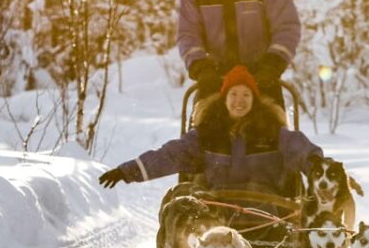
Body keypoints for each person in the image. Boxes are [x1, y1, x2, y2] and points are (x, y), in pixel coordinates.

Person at [98, 65, 321, 196]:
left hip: (265, 208)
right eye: (233, 94)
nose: (239, 101)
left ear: (255, 99)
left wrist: (321, 169)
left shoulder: (272, 130)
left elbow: (303, 151)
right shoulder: (207, 133)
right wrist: (126, 172)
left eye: (246, 95)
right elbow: (169, 156)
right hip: (215, 207)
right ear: (224, 99)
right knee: (181, 203)